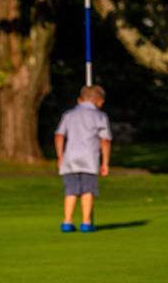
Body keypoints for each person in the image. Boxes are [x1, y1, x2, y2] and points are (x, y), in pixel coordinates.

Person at [55, 84, 112, 234]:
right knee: (88, 190)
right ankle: (86, 222)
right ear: (100, 101)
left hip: (70, 158)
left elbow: (60, 135)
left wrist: (60, 155)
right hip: (90, 158)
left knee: (71, 190)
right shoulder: (100, 116)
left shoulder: (69, 115)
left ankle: (67, 221)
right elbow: (105, 140)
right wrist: (105, 162)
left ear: (80, 99)